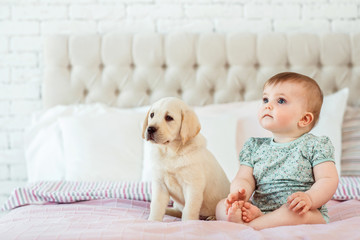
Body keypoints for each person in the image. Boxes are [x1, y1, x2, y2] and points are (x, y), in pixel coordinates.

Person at [215, 72, 339, 230]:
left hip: (298, 209)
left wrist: (309, 198)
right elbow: (244, 178)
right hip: (259, 208)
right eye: (265, 99)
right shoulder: (254, 147)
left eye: (280, 100)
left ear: (304, 119)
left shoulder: (315, 145)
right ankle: (257, 219)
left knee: (295, 214)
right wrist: (240, 193)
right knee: (221, 205)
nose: (268, 105)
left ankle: (250, 226)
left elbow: (328, 180)